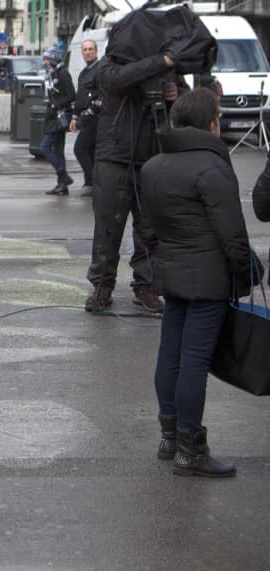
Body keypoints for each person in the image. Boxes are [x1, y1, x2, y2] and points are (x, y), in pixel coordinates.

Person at [141, 89, 259, 477]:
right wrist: (244, 275)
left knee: (170, 354)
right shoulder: (212, 166)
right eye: (219, 116)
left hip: (171, 273)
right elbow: (233, 233)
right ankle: (192, 449)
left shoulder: (154, 165)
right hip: (208, 278)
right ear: (210, 123)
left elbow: (148, 230)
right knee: (194, 359)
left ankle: (170, 436)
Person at [84, 47, 177, 313]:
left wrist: (175, 96)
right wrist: (159, 61)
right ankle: (102, 285)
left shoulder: (164, 68)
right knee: (108, 227)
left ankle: (145, 285)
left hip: (151, 156)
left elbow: (181, 111)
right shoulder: (109, 66)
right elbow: (118, 79)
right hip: (114, 157)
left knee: (149, 228)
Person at [40, 45, 76, 196]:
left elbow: (71, 95)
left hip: (60, 116)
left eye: (47, 59)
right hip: (55, 116)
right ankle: (62, 185)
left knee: (45, 148)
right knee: (59, 151)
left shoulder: (62, 73)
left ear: (54, 59)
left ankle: (64, 175)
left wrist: (56, 104)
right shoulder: (54, 72)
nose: (45, 62)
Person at [69, 40, 101, 197]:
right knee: (90, 152)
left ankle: (91, 182)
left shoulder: (100, 70)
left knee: (80, 149)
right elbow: (79, 96)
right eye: (85, 50)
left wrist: (90, 111)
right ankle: (95, 183)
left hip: (95, 118)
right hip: (84, 117)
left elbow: (103, 95)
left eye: (90, 49)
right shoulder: (83, 73)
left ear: (96, 50)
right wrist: (75, 116)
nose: (87, 52)